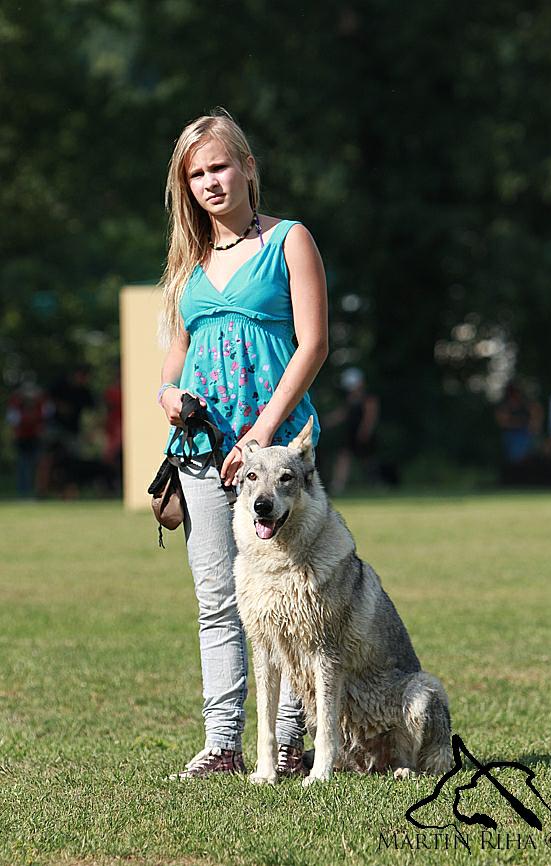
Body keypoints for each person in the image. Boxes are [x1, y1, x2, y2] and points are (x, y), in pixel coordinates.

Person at [157, 110, 328, 778]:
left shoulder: (289, 241)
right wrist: (167, 396)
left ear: (248, 166)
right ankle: (223, 742)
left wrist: (259, 436)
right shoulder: (186, 263)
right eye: (196, 174)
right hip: (200, 452)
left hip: (277, 459)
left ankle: (287, 741)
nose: (209, 182)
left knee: (292, 597)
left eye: (219, 166)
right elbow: (173, 363)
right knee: (217, 598)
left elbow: (312, 345)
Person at [325, 367, 380, 495]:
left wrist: (365, 431)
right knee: (343, 456)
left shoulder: (368, 398)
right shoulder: (350, 399)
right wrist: (328, 421)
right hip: (350, 433)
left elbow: (370, 416)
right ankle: (338, 484)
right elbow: (343, 413)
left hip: (362, 434)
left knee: (368, 460)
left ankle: (376, 482)